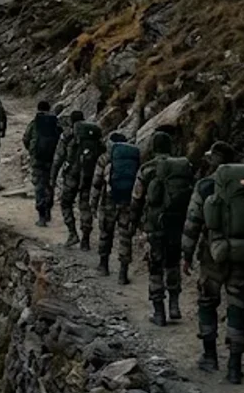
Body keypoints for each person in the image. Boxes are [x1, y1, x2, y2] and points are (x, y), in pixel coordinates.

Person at [182, 141, 244, 384]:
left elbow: (192, 223)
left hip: (213, 255)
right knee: (237, 305)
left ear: (213, 161)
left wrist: (187, 255)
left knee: (207, 301)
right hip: (243, 256)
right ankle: (235, 367)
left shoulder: (204, 187)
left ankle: (210, 356)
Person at [123, 128, 193, 326]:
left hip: (154, 225)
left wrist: (133, 223)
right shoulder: (183, 167)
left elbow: (136, 199)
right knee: (172, 262)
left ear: (153, 148)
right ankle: (174, 305)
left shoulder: (147, 169)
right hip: (177, 224)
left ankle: (159, 312)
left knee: (155, 266)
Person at [91, 130, 140, 281]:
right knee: (125, 237)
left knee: (106, 232)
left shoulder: (105, 158)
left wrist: (93, 202)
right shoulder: (134, 158)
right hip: (127, 202)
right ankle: (122, 273)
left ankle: (103, 266)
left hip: (109, 201)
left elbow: (97, 182)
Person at [53, 110, 104, 248]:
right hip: (89, 175)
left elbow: (58, 158)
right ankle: (86, 239)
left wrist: (52, 178)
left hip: (72, 176)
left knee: (65, 203)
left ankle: (72, 234)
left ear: (72, 121)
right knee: (85, 205)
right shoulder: (94, 136)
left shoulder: (69, 135)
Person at [23, 101, 61, 226]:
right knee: (50, 185)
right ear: (49, 109)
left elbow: (26, 139)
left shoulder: (35, 124)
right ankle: (48, 211)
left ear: (38, 109)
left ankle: (41, 216)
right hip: (52, 160)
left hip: (38, 160)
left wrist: (32, 152)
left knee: (39, 187)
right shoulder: (55, 123)